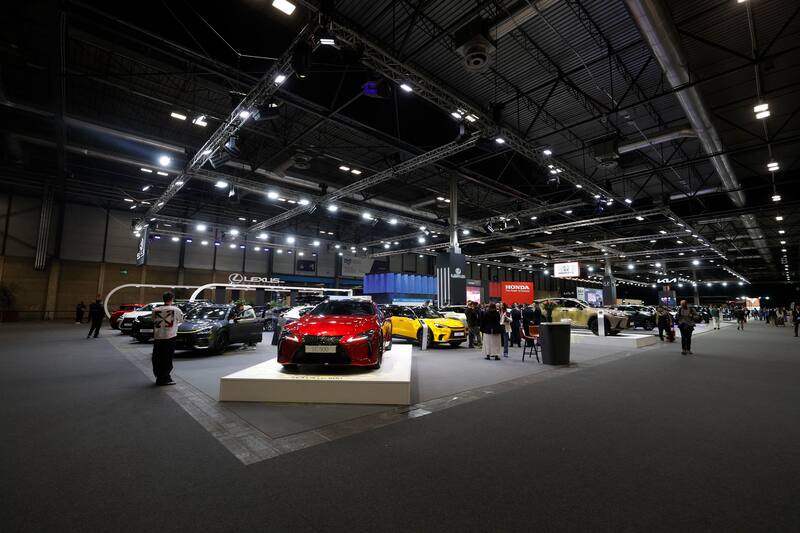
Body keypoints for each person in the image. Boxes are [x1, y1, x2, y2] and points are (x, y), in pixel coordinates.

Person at [151, 292, 184, 386]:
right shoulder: (176, 310)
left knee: (157, 358)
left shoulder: (155, 310)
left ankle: (159, 377)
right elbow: (181, 320)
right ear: (172, 299)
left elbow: (153, 320)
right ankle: (165, 378)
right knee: (167, 358)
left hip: (158, 337)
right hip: (170, 337)